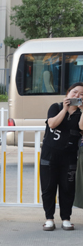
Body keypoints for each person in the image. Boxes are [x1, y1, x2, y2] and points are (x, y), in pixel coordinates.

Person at [40, 83, 83, 231]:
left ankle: (66, 219)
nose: (77, 96)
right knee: (48, 188)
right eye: (75, 92)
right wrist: (65, 109)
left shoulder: (80, 114)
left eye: (81, 95)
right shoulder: (56, 107)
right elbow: (52, 124)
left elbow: (82, 127)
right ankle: (49, 219)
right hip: (49, 156)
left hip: (69, 157)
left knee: (67, 188)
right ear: (68, 93)